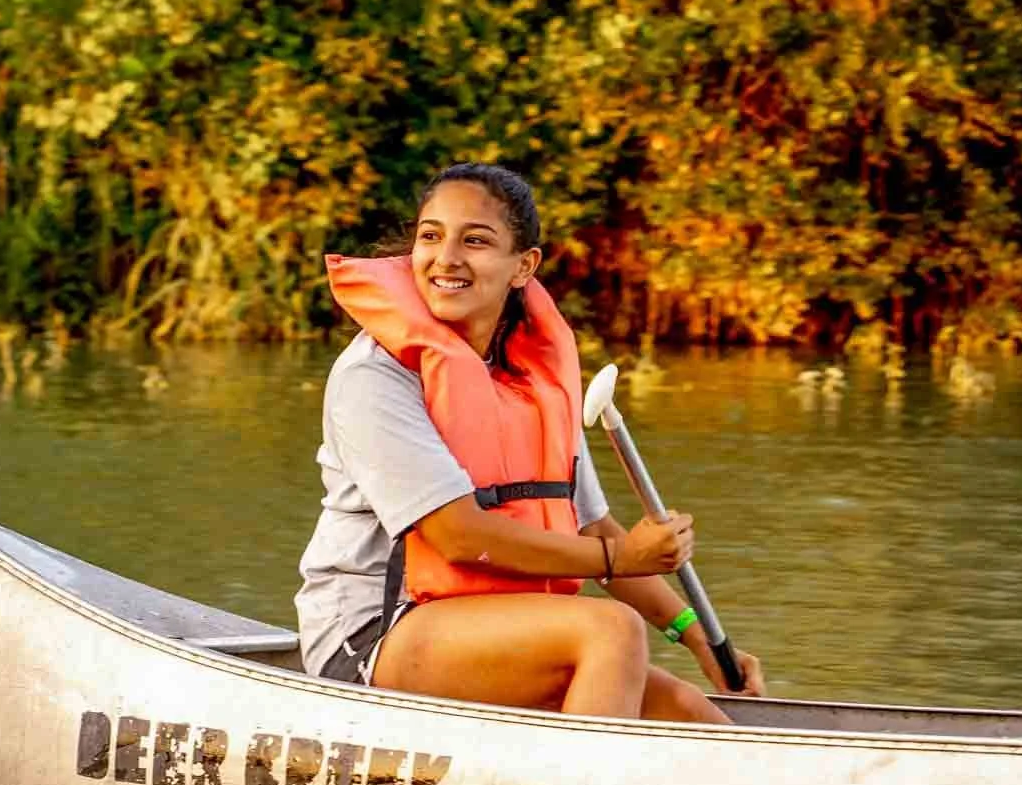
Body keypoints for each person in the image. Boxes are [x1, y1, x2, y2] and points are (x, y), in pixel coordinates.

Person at [295, 163, 766, 720]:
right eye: (431, 235)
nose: (446, 257)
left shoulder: (531, 378)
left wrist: (695, 635)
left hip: (494, 623)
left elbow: (592, 529)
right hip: (373, 635)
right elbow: (460, 538)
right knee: (609, 630)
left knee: (694, 717)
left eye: (475, 240)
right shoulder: (374, 377)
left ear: (524, 266)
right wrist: (621, 557)